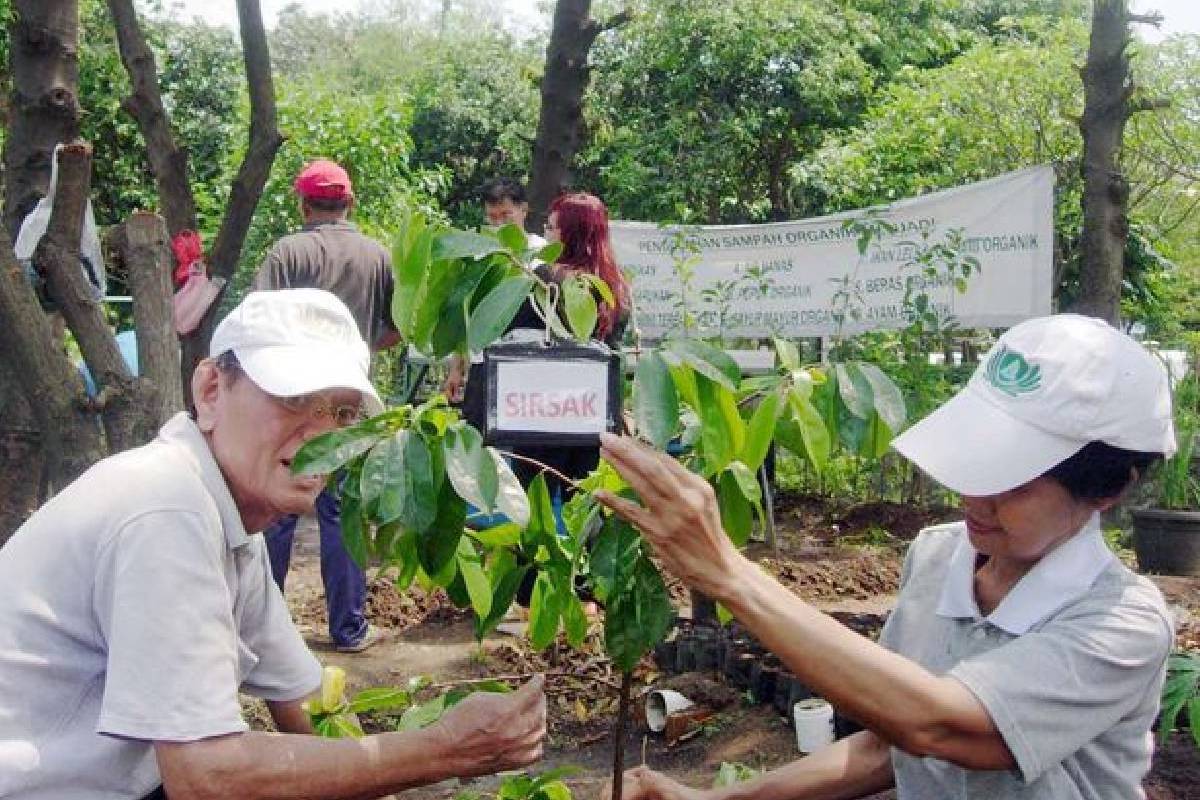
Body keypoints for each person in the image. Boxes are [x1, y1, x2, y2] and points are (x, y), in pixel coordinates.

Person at [596, 314, 1175, 800]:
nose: (975, 498)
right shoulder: (940, 556)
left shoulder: (1121, 624)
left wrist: (729, 572)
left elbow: (939, 725)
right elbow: (888, 742)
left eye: (1014, 484)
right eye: (977, 462)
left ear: (1108, 489)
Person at [0, 288, 547, 800]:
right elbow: (205, 776)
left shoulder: (230, 515)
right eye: (294, 398)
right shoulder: (166, 506)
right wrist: (441, 748)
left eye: (343, 414)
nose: (321, 436)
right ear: (211, 390)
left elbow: (302, 705)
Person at [253, 158, 399, 653]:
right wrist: (358, 346)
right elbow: (396, 328)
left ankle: (263, 629)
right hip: (348, 401)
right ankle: (349, 629)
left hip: (291, 398)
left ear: (302, 203)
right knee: (341, 513)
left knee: (278, 508)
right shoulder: (378, 256)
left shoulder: (286, 252)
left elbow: (259, 322)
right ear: (349, 202)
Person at [446, 177, 547, 406]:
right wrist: (456, 368)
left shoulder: (542, 253)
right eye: (492, 217)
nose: (499, 224)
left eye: (506, 215)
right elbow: (468, 315)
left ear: (523, 210)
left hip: (528, 364)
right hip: (483, 363)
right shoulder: (480, 255)